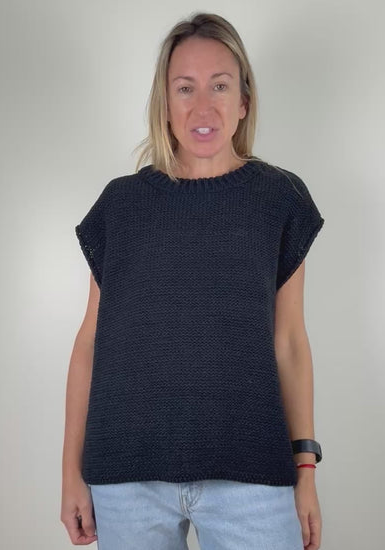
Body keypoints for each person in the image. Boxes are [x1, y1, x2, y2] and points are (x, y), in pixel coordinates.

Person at [61, 12, 324, 550]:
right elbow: (90, 343)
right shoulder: (122, 205)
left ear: (244, 100)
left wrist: (305, 469)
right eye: (185, 88)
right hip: (127, 475)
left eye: (219, 86)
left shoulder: (279, 199)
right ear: (165, 102)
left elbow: (290, 342)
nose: (203, 108)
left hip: (252, 473)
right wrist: (70, 474)